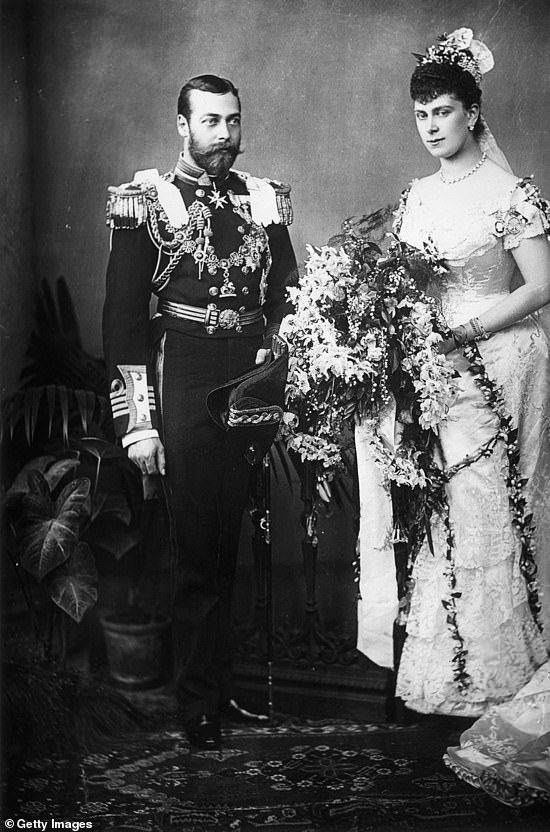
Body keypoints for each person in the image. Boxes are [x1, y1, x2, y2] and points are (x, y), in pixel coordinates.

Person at [354, 28, 550, 810]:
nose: (432, 126)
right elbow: (403, 286)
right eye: (422, 115)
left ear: (474, 115)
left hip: (507, 367)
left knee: (498, 514)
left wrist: (465, 330)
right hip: (434, 377)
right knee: (446, 518)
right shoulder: (414, 196)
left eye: (445, 111)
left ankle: (508, 671)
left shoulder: (511, 193)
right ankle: (445, 674)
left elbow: (540, 287)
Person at [102, 74, 297, 749]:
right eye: (210, 121)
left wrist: (281, 360)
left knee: (228, 544)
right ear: (182, 125)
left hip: (246, 384)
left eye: (232, 121)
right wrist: (139, 426)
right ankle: (197, 705)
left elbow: (288, 299)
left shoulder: (261, 200)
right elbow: (123, 325)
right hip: (181, 377)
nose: (224, 134)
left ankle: (221, 687)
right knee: (194, 552)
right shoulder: (145, 204)